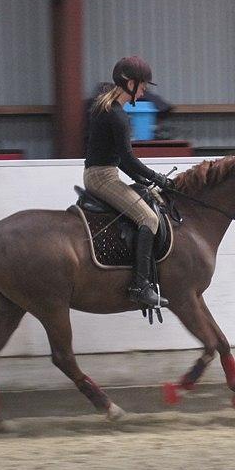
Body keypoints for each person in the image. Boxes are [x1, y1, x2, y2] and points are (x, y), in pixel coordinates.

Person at [84, 56, 175, 308]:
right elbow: (128, 158)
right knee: (149, 219)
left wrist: (143, 181)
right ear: (131, 83)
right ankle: (140, 286)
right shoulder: (117, 115)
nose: (145, 90)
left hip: (100, 172)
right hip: (102, 178)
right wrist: (157, 177)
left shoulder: (107, 108)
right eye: (143, 85)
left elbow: (121, 161)